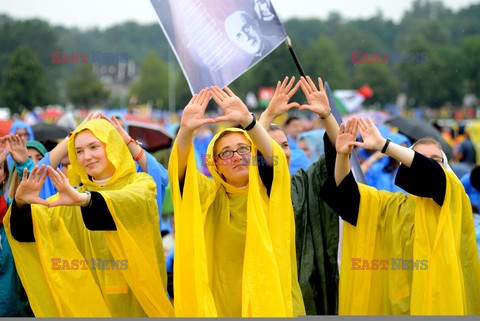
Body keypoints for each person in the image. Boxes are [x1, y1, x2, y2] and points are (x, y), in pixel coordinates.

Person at [3, 119, 174, 317]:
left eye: (94, 147)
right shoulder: (72, 197)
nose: (87, 157)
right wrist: (21, 203)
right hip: (93, 304)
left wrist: (86, 200)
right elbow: (29, 232)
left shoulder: (141, 183)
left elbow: (129, 203)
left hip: (139, 302)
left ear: (113, 146)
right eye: (79, 151)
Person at [321, 117, 480, 315]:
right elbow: (347, 196)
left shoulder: (454, 197)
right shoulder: (394, 206)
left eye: (436, 159)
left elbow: (431, 174)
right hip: (397, 307)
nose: (429, 163)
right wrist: (340, 149)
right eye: (418, 158)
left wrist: (383, 145)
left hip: (441, 305)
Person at [169, 86, 304, 317]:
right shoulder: (208, 197)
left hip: (270, 302)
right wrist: (185, 132)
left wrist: (248, 121)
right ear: (215, 164)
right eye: (226, 153)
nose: (237, 156)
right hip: (222, 306)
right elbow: (180, 173)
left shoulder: (269, 190)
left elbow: (276, 158)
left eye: (243, 149)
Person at [259, 76, 343, 315]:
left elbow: (338, 155)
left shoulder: (306, 182)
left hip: (307, 290)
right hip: (266, 289)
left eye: (284, 145)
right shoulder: (246, 191)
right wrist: (266, 118)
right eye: (270, 146)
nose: (280, 152)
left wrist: (327, 115)